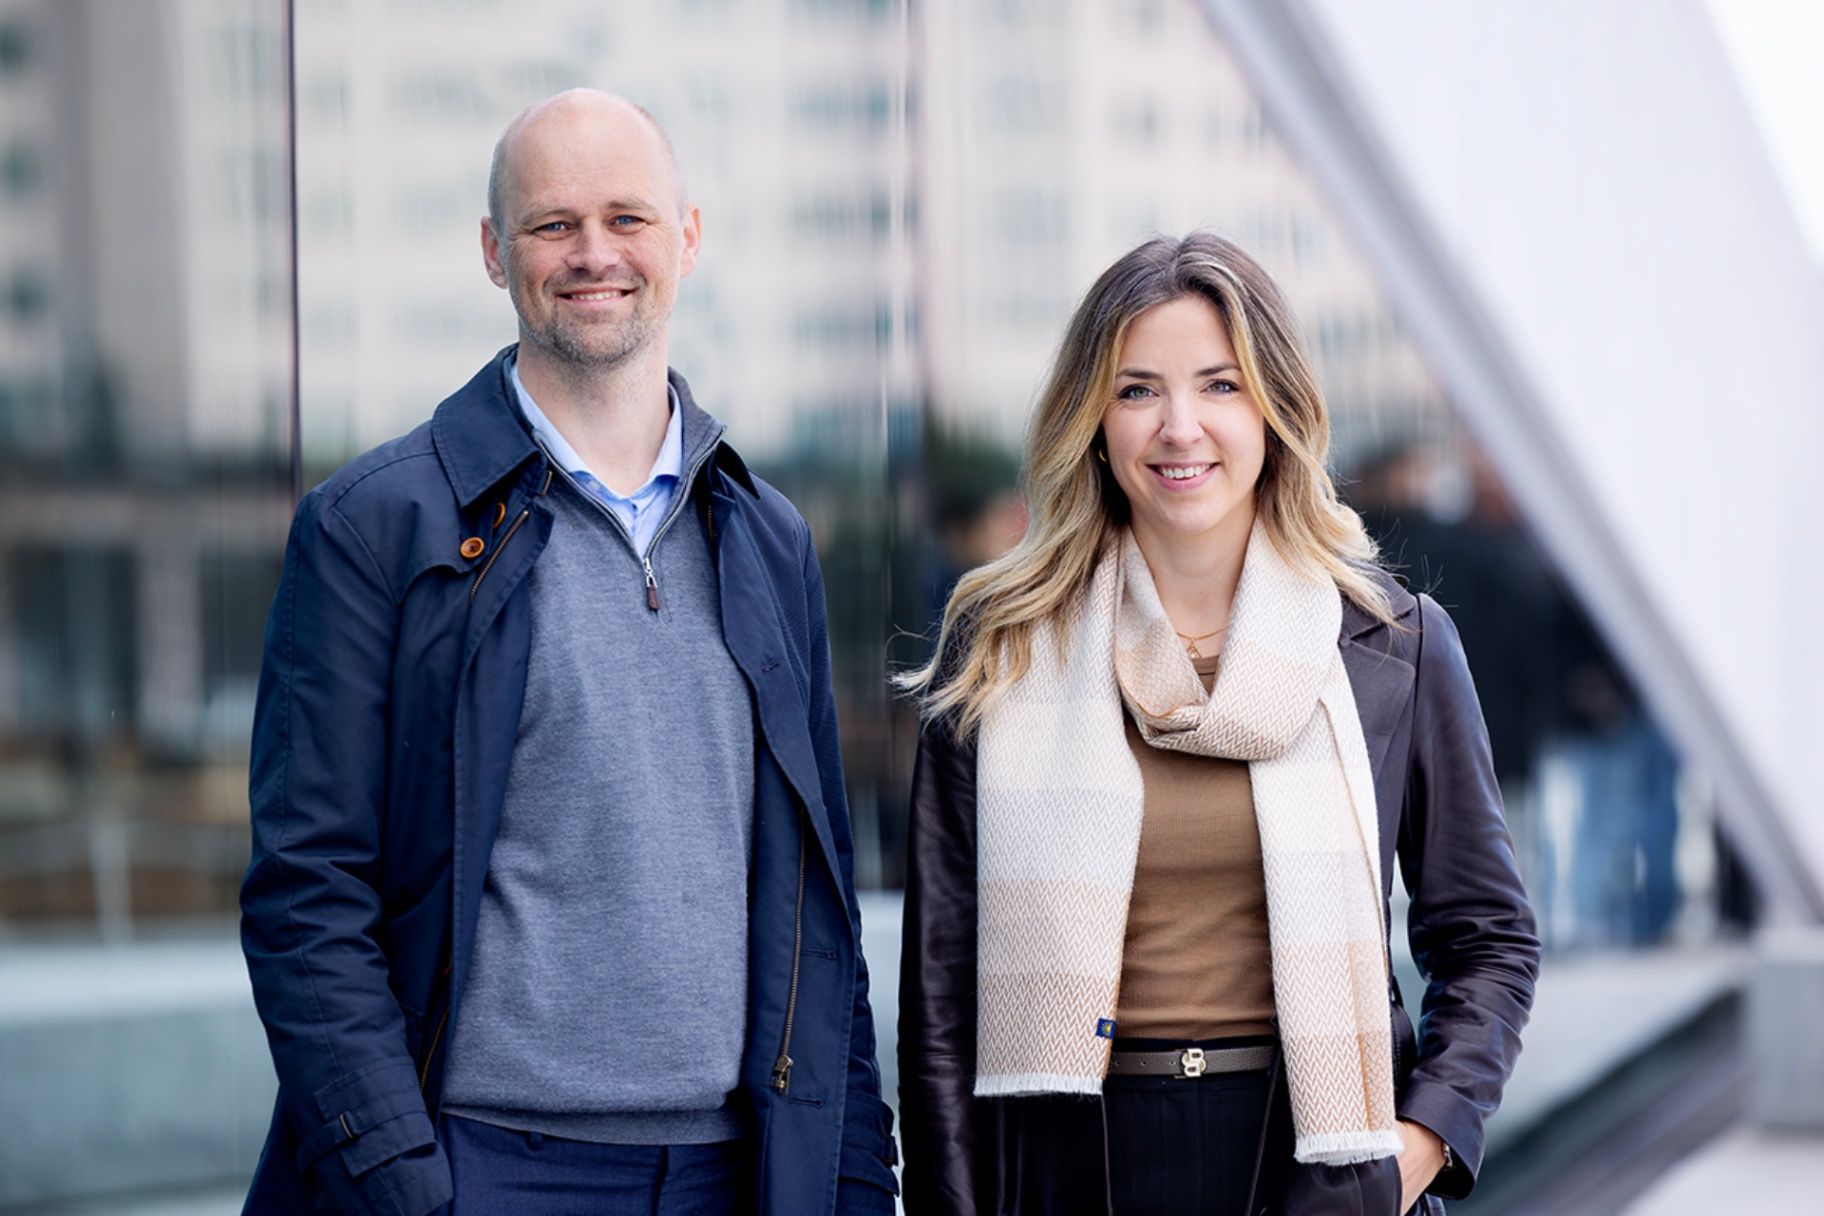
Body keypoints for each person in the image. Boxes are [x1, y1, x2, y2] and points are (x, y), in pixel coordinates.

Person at [238, 90, 897, 1216]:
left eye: (627, 218)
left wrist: (854, 1180)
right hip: (484, 1165)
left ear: (687, 238)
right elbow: (307, 892)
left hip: (735, 1173)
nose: (595, 253)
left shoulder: (766, 536)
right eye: (553, 224)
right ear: (495, 252)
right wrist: (401, 1184)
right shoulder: (375, 526)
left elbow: (816, 904)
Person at [897, 232, 1539, 1215]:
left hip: (1320, 1161)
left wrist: (1413, 1151)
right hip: (1075, 1166)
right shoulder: (1001, 652)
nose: (1179, 427)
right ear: (1093, 418)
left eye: (1221, 386)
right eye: (1138, 389)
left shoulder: (1392, 647)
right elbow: (940, 995)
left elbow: (1488, 936)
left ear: (1275, 409)